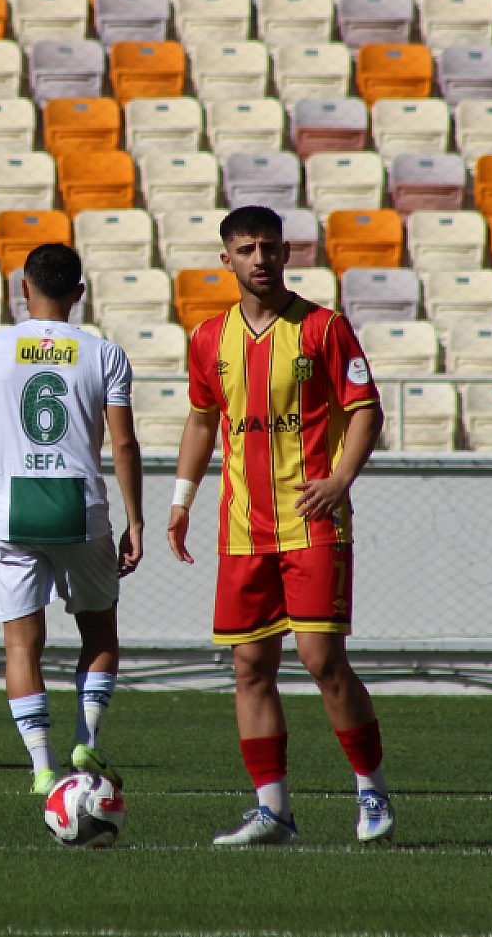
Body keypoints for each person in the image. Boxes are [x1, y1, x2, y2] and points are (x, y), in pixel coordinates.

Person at [166, 205, 396, 846]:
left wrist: (340, 480)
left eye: (269, 247)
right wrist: (182, 499)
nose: (259, 258)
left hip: (312, 521)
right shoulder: (209, 339)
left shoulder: (323, 328)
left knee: (323, 661)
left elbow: (365, 411)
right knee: (249, 667)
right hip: (242, 529)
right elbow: (202, 421)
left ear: (287, 253)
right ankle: (274, 812)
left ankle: (372, 793)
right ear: (227, 260)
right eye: (245, 249)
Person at [0, 243, 145, 797]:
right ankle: (84, 738)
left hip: (12, 509)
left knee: (22, 645)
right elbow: (125, 443)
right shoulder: (104, 354)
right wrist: (135, 520)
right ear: (79, 295)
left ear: (23, 288)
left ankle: (42, 766)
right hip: (81, 507)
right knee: (100, 630)